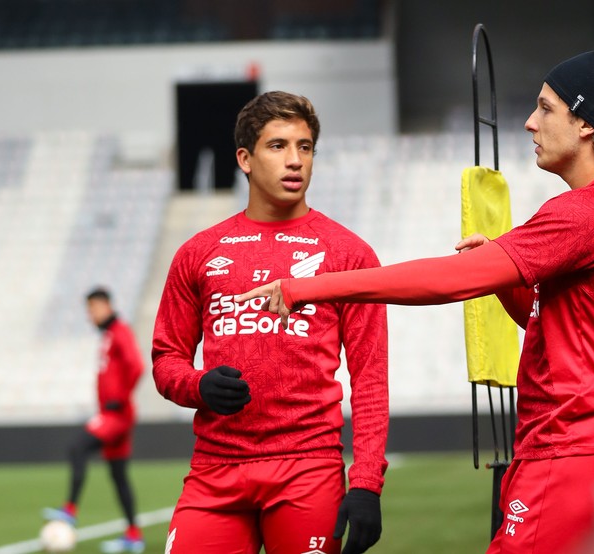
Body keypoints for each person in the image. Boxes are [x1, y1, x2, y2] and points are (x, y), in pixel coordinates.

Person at [237, 50, 594, 554]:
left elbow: (448, 282)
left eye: (546, 108)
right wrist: (506, 276)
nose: (531, 123)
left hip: (571, 452)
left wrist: (306, 287)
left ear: (585, 124)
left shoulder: (586, 211)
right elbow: (563, 323)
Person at [152, 91, 389, 554]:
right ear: (245, 158)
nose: (295, 160)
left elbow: (371, 380)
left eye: (305, 147)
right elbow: (166, 360)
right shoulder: (199, 253)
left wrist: (366, 483)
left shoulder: (350, 255)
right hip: (214, 471)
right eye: (277, 146)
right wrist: (198, 386)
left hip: (307, 469)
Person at [43, 287, 146, 554]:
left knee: (77, 447)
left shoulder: (120, 331)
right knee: (118, 475)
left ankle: (70, 509)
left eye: (91, 310)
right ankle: (134, 535)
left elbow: (137, 366)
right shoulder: (109, 335)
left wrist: (120, 398)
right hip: (116, 413)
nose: (89, 316)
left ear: (103, 305)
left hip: (116, 414)